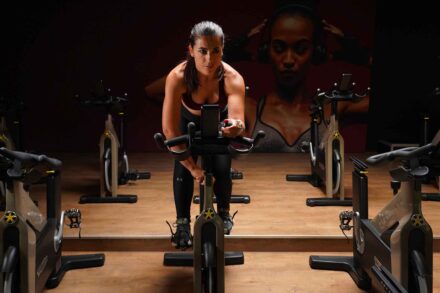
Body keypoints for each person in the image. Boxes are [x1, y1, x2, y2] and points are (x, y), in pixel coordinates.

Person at [162, 21, 246, 249]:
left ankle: (225, 213)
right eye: (202, 51)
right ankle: (182, 225)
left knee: (221, 162)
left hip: (218, 122)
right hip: (185, 124)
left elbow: (239, 120)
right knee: (182, 164)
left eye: (216, 51)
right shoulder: (177, 77)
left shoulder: (233, 78)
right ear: (190, 50)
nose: (209, 59)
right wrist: (193, 169)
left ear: (222, 49)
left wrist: (235, 127)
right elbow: (169, 130)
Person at [244, 0, 370, 152]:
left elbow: (398, 103)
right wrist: (232, 49)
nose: (289, 60)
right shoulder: (248, 109)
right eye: (279, 48)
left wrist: (362, 56)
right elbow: (206, 93)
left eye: (301, 49)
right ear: (266, 51)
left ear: (316, 52)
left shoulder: (333, 110)